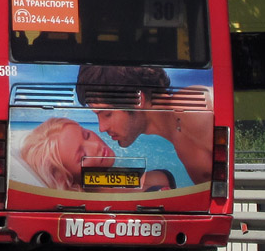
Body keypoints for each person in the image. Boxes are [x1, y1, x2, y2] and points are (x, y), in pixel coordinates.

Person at [76, 65, 213, 185]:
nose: (102, 127)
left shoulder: (193, 110)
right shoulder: (177, 126)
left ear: (137, 99)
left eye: (107, 114)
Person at [20, 117, 171, 193]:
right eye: (82, 156)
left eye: (86, 135)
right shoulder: (113, 200)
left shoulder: (111, 180)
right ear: (68, 180)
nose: (96, 146)